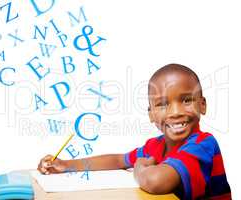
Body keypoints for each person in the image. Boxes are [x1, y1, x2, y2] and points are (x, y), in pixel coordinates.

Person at [37, 64, 231, 199]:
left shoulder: (202, 145)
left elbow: (155, 182)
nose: (176, 112)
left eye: (186, 100)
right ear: (151, 114)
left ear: (202, 105)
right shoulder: (155, 146)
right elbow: (118, 160)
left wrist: (139, 169)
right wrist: (66, 165)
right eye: (162, 104)